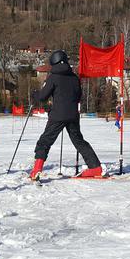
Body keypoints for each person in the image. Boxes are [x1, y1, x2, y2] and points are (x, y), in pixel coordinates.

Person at [29, 50, 102, 180]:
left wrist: (34, 94)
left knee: (45, 141)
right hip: (73, 115)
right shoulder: (74, 77)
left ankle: (36, 170)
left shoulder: (53, 77)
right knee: (79, 141)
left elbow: (42, 97)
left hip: (57, 115)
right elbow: (79, 96)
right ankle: (95, 167)